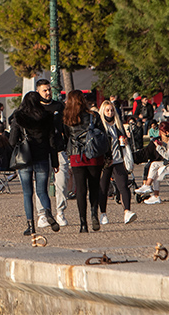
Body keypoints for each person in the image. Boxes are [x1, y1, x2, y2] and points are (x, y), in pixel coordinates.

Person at [10, 91, 60, 235]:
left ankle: (31, 226)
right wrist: (55, 161)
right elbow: (52, 141)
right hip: (42, 156)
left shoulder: (19, 117)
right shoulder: (47, 117)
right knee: (42, 191)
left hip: (25, 158)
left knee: (27, 193)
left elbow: (12, 141)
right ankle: (48, 213)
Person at [63, 90, 104, 233]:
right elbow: (102, 136)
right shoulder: (94, 116)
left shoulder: (68, 119)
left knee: (80, 189)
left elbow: (67, 137)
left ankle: (83, 223)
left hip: (76, 155)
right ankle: (94, 214)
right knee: (94, 186)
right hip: (93, 154)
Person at [35, 79, 69, 228]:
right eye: (45, 90)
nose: (48, 93)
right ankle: (42, 214)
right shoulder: (34, 108)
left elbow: (66, 127)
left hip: (59, 149)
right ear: (38, 92)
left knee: (61, 183)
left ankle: (60, 212)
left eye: (49, 89)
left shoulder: (59, 106)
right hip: (41, 151)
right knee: (41, 184)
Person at [95, 100, 136, 225]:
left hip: (118, 160)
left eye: (111, 110)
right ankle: (103, 213)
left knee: (123, 186)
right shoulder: (100, 126)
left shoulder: (118, 126)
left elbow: (124, 141)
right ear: (103, 111)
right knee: (104, 188)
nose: (110, 112)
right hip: (105, 161)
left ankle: (127, 211)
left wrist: (125, 140)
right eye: (107, 110)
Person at [136, 121, 169, 205]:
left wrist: (158, 147)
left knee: (157, 171)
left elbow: (167, 156)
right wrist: (162, 146)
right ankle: (149, 187)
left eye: (162, 134)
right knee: (154, 165)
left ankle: (154, 193)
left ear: (167, 132)